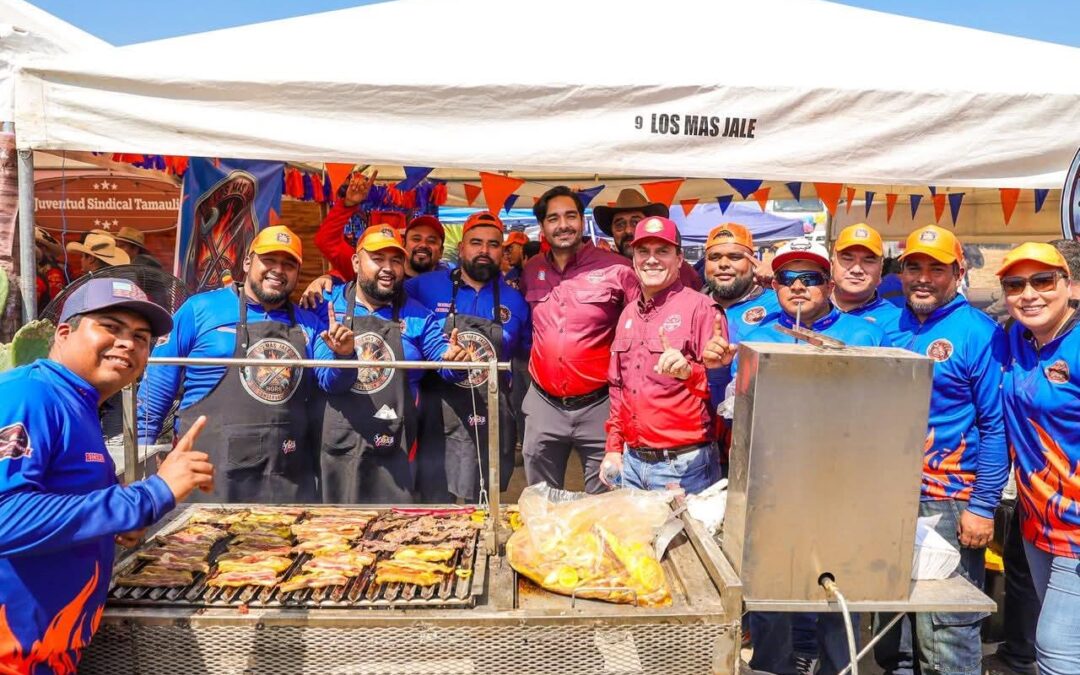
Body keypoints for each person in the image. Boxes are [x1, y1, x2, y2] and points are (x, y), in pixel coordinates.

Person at [0, 278, 214, 673]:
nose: (128, 344)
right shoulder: (27, 396)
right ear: (64, 333)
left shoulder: (79, 405)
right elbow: (5, 517)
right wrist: (149, 496)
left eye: (141, 337)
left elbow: (59, 499)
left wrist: (118, 521)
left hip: (49, 653)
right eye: (111, 327)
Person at [737, 238, 888, 675]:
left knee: (837, 584)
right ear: (776, 285)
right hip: (774, 481)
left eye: (810, 278)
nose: (798, 286)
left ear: (828, 283)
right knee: (770, 588)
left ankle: (838, 667)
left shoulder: (865, 333)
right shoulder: (758, 332)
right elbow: (739, 402)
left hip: (841, 483)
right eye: (787, 278)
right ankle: (773, 666)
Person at [874, 225, 1008, 675]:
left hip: (949, 502)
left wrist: (983, 505)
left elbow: (995, 426)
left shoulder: (980, 332)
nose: (924, 277)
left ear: (959, 271)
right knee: (893, 634)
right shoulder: (889, 322)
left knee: (946, 633)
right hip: (888, 498)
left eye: (937, 268)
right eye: (914, 266)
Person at [138, 226, 354, 503]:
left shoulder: (309, 324)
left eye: (288, 264)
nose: (278, 270)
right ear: (248, 262)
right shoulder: (200, 309)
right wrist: (142, 467)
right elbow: (155, 392)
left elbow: (334, 382)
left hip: (285, 478)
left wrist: (344, 356)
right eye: (269, 260)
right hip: (207, 476)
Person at [316, 225, 468, 504]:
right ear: (355, 261)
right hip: (341, 443)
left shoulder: (419, 316)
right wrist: (343, 358)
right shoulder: (325, 306)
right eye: (378, 258)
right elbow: (328, 382)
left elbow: (443, 363)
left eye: (396, 260)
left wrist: (456, 361)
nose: (388, 268)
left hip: (396, 444)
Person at [520, 186, 639, 494]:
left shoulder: (618, 269)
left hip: (600, 405)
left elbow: (640, 329)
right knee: (540, 500)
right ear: (543, 226)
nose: (563, 225)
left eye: (571, 216)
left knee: (603, 501)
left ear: (582, 221)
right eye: (553, 218)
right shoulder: (532, 270)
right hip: (543, 403)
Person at [995, 242, 1080, 675]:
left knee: (1056, 651)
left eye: (1043, 281)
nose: (1029, 293)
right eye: (1015, 284)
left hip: (1077, 531)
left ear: (1071, 285)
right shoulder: (1015, 338)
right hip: (1036, 524)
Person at [406, 211, 530, 502]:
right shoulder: (423, 286)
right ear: (461, 248)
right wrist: (326, 282)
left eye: (493, 244)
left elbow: (528, 351)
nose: (484, 250)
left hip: (492, 414)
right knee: (436, 504)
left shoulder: (516, 300)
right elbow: (374, 291)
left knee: (485, 506)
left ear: (503, 251)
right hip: (437, 414)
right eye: (476, 242)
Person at [599, 216, 725, 493]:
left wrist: (689, 371)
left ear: (680, 259)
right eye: (643, 251)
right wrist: (613, 448)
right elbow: (619, 387)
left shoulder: (702, 309)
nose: (651, 260)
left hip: (683, 468)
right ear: (633, 258)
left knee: (684, 538)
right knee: (632, 538)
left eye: (663, 251)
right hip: (631, 463)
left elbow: (724, 394)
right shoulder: (628, 313)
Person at [699, 223, 782, 419]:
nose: (723, 264)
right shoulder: (692, 305)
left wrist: (780, 281)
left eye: (735, 257)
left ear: (754, 263)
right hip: (698, 433)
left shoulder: (778, 303)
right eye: (714, 257)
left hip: (756, 423)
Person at [593, 187, 703, 290]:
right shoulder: (604, 268)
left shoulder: (679, 269)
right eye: (620, 225)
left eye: (636, 223)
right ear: (612, 231)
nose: (628, 231)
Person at [831, 223, 902, 334]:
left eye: (868, 260)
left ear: (881, 268)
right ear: (832, 263)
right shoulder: (809, 311)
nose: (856, 269)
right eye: (847, 258)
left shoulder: (898, 323)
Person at [34, 227, 67, 310]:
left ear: (44, 248)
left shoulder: (53, 272)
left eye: (38, 245)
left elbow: (57, 302)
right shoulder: (39, 269)